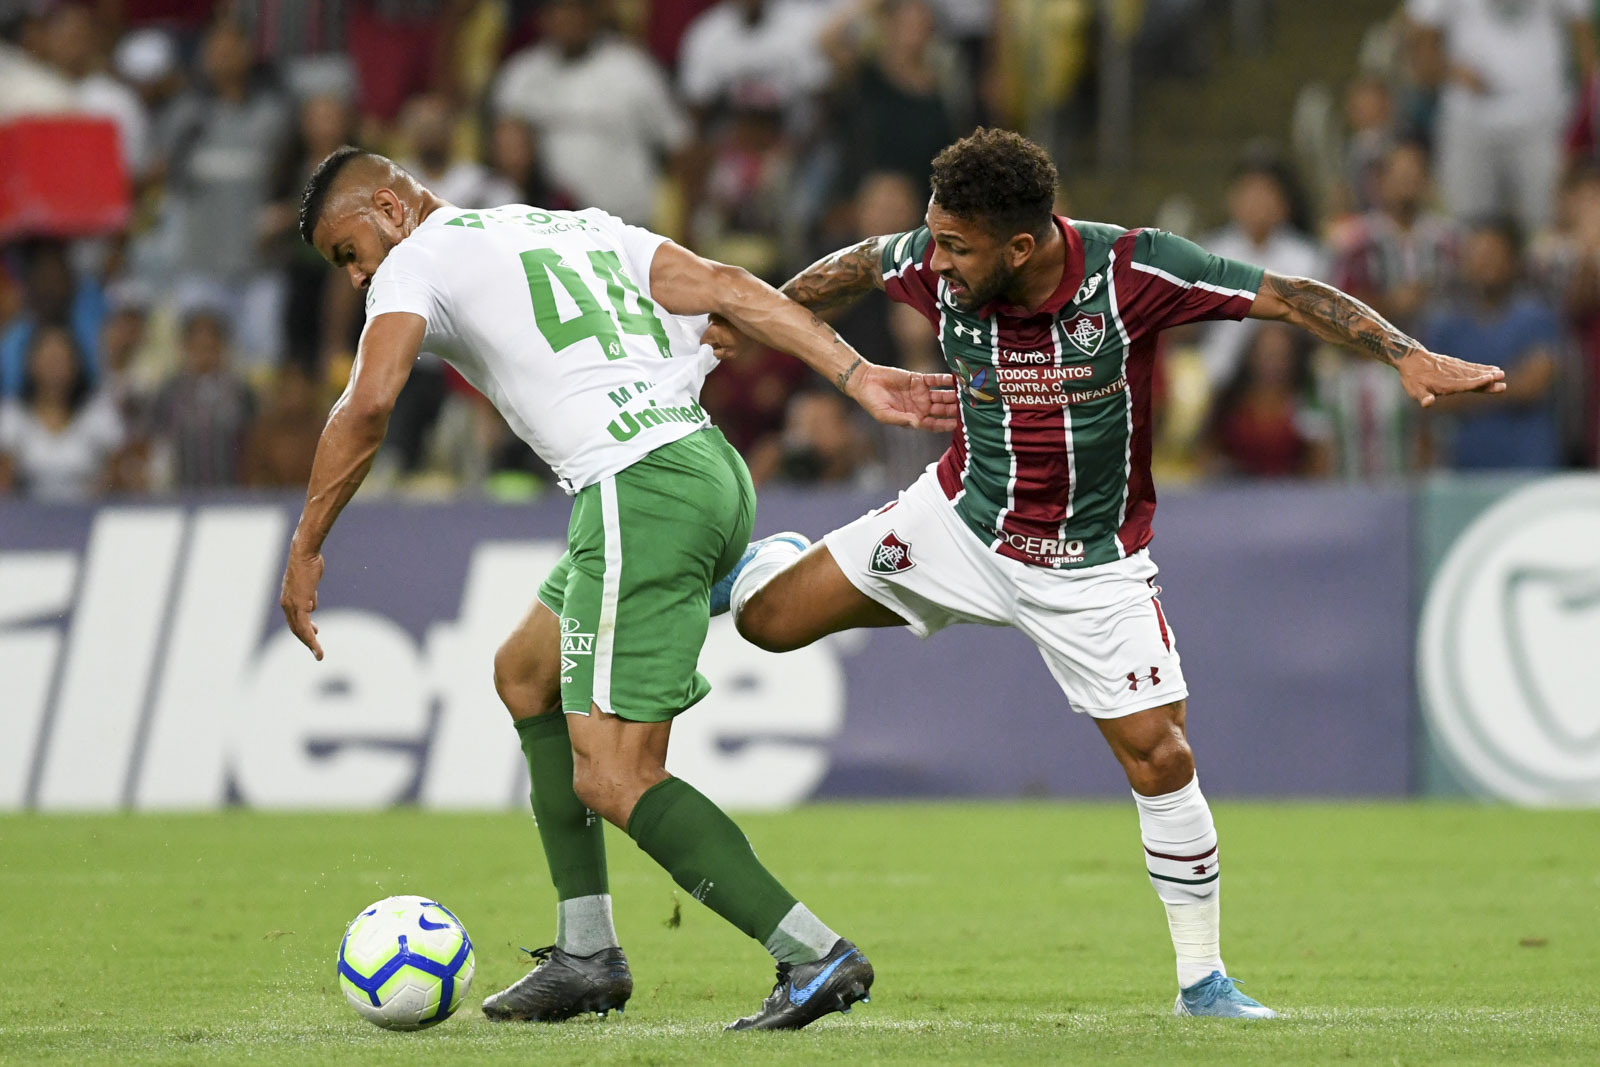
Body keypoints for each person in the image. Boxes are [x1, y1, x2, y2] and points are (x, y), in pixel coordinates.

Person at [708, 128, 1506, 1019]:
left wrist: (1404, 352)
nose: (935, 262)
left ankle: (1202, 981)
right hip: (959, 520)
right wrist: (758, 314)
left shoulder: (1134, 271)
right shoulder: (937, 261)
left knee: (1161, 753)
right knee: (766, 620)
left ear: (1020, 246)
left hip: (1088, 566)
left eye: (957, 247)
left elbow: (1288, 295)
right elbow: (859, 262)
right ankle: (770, 560)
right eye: (934, 238)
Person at [281, 147, 955, 1029]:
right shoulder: (573, 229)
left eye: (349, 251)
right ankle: (586, 953)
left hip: (637, 491)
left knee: (615, 775)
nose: (357, 274)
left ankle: (812, 953)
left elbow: (367, 404)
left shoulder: (414, 261)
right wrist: (855, 373)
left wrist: (307, 546)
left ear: (390, 206)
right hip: (708, 467)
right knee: (526, 672)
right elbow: (729, 287)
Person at [1406, 0, 1594, 232]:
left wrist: (1586, 111)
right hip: (1469, 121)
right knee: (1466, 227)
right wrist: (1451, 71)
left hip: (1544, 121)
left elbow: (1583, 34)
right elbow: (1417, 34)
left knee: (1548, 224)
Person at [1421, 219, 1564, 470]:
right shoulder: (1445, 326)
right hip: (1466, 469)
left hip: (1531, 465)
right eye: (1477, 254)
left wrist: (1462, 389)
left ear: (1513, 261)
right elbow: (1432, 397)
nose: (1485, 263)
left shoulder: (1537, 316)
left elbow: (1533, 386)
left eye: (1494, 254)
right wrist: (1508, 384)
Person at [0, 324, 124, 500]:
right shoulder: (13, 414)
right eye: (48, 359)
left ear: (76, 363)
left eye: (61, 359)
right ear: (31, 363)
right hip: (25, 510)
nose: (54, 368)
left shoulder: (98, 412)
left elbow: (120, 472)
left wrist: (107, 485)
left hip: (89, 507)